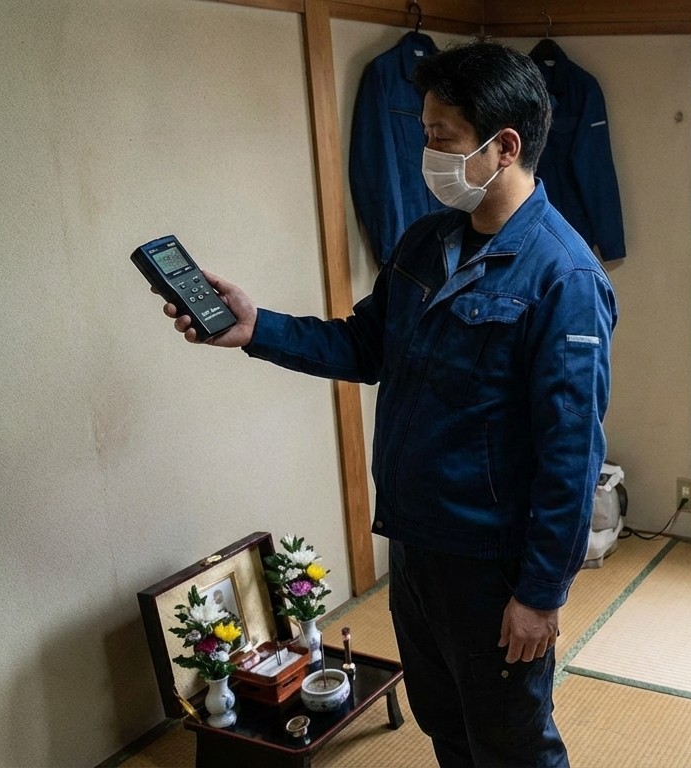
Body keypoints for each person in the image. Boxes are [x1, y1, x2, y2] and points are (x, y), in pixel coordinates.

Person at [158, 42, 617, 767]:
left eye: (442, 137)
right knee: (445, 721)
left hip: (492, 560)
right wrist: (257, 327)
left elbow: (572, 452)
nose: (426, 154)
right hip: (414, 541)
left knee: (512, 742)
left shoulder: (565, 276)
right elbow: (367, 346)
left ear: (504, 147)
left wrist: (540, 593)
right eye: (424, 133)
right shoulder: (426, 241)